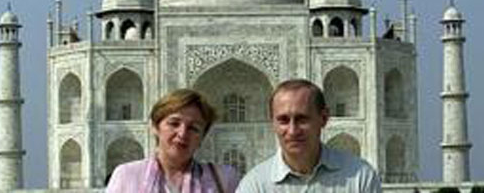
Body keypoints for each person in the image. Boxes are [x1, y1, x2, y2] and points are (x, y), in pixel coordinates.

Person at [236, 79, 382, 193]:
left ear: (323, 118)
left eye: (302, 119)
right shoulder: (255, 185)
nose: (292, 131)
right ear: (272, 123)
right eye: (283, 120)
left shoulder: (359, 177)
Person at [107, 89, 239, 192]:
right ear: (155, 127)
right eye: (174, 123)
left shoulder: (223, 178)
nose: (182, 134)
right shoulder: (128, 176)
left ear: (202, 137)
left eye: (193, 128)